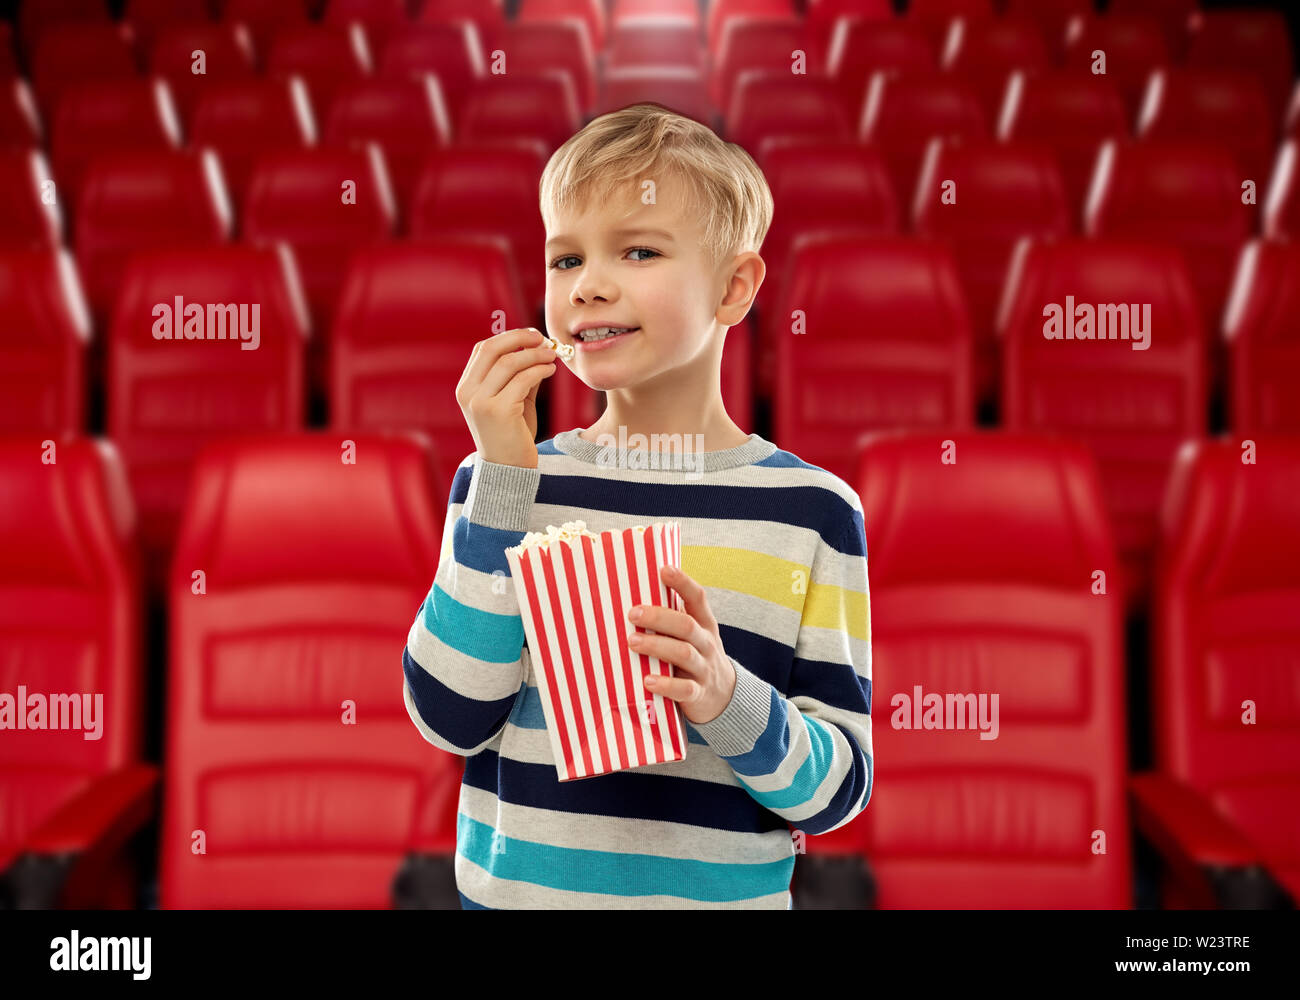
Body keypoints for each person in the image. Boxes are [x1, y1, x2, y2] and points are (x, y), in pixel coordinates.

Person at [401, 103, 873, 908]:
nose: (587, 285)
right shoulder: (506, 482)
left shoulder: (812, 512)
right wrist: (504, 477)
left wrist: (728, 695)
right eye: (565, 259)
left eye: (640, 249)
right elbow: (449, 715)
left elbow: (838, 793)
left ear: (734, 287)